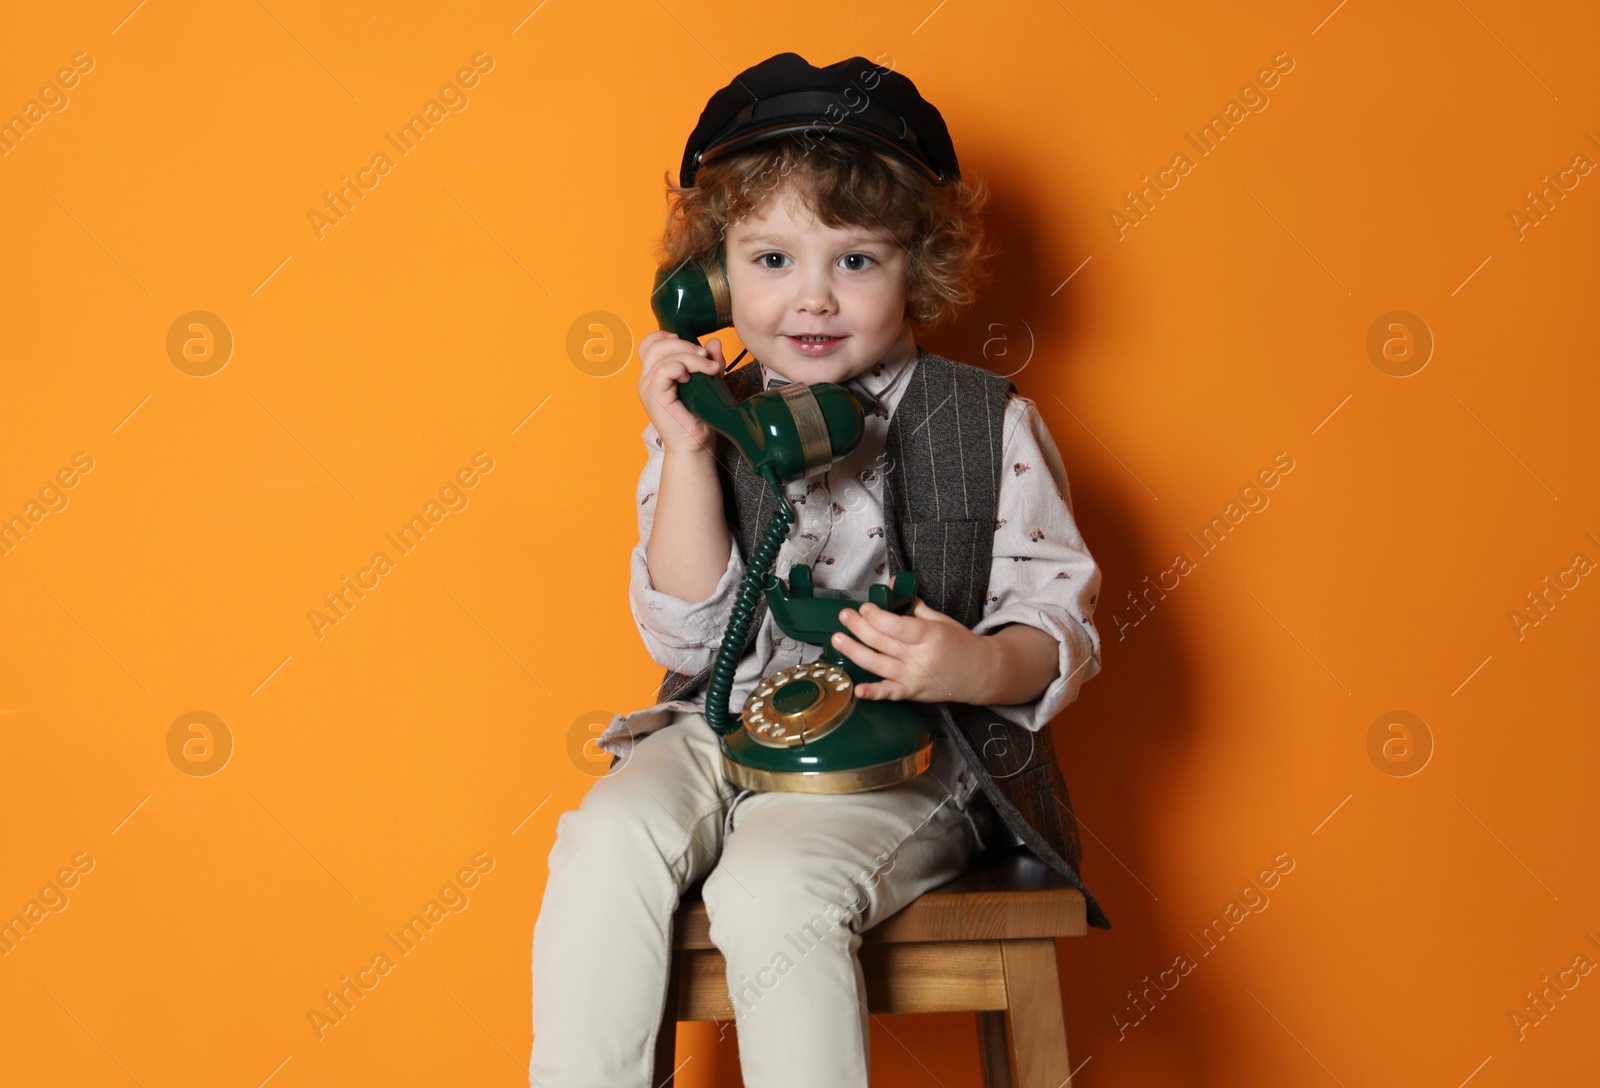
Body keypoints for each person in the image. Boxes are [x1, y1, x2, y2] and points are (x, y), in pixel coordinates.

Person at [530, 52, 1106, 1088]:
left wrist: (968, 664)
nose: (812, 298)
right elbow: (685, 640)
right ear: (709, 279)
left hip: (912, 756)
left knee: (772, 889)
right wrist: (692, 445)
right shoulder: (708, 421)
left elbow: (1055, 625)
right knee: (604, 839)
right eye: (770, 260)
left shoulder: (988, 423)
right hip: (723, 719)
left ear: (915, 268)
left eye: (854, 261)